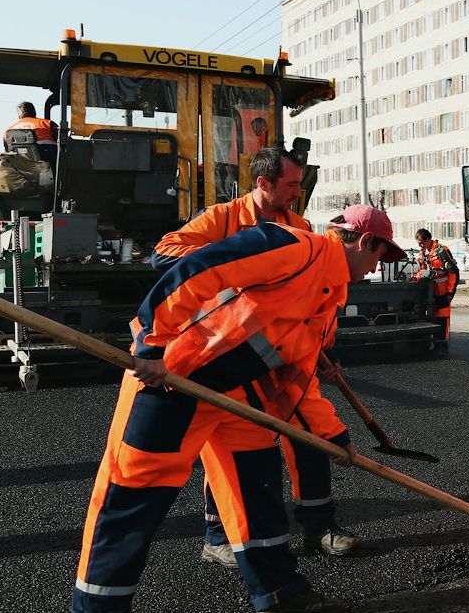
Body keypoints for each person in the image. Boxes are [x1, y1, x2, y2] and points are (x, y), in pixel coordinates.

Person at [72, 205, 403, 613]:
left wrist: (320, 433)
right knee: (130, 503)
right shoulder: (293, 247)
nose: (379, 265)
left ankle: (278, 593)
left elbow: (295, 374)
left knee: (257, 490)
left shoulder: (329, 298)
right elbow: (195, 269)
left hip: (237, 395)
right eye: (381, 254)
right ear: (362, 242)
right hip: (175, 381)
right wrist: (152, 346)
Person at [153, 147, 369, 563]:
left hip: (279, 352)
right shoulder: (224, 219)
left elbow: (315, 293)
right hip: (224, 349)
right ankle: (217, 537)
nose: (296, 192)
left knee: (308, 434)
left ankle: (319, 527)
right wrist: (232, 263)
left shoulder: (298, 225)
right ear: (263, 183)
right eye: (290, 185)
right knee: (228, 440)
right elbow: (164, 252)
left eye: (299, 184)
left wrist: (320, 351)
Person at [413, 228, 458, 352]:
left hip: (443, 293)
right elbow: (421, 271)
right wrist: (415, 278)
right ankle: (434, 345)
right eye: (418, 243)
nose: (419, 245)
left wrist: (450, 292)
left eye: (421, 243)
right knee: (431, 318)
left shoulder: (442, 251)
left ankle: (442, 346)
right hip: (429, 293)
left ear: (428, 240)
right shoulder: (422, 253)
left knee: (442, 320)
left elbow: (453, 273)